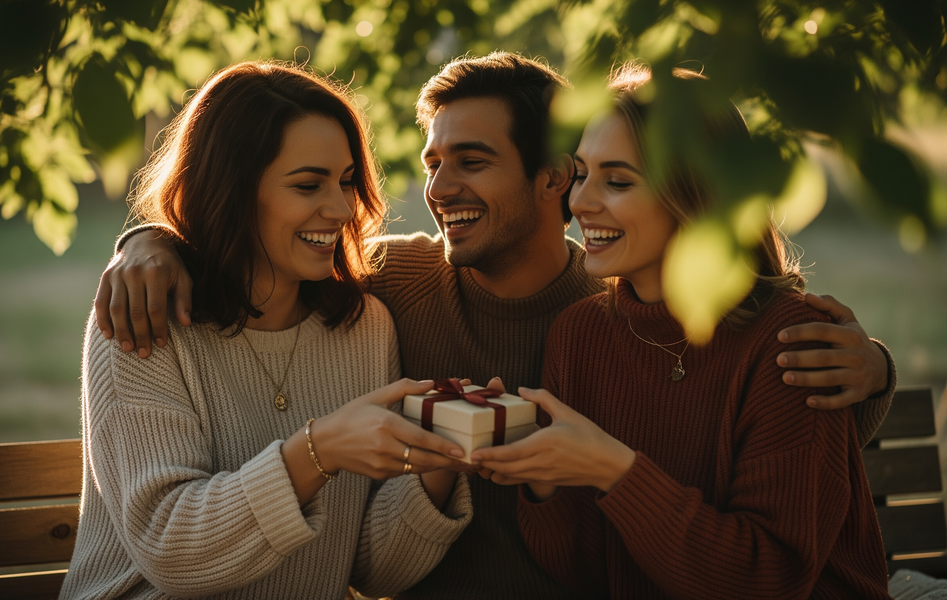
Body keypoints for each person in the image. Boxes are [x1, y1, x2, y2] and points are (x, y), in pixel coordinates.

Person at [95, 53, 896, 599]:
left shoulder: (602, 308)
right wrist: (153, 241)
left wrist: (875, 371)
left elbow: (770, 455)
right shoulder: (390, 288)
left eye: (471, 161)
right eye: (430, 162)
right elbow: (261, 242)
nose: (438, 186)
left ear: (552, 180)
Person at [472, 64, 892, 598]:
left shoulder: (791, 342)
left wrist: (615, 469)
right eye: (581, 173)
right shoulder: (580, 333)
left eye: (618, 181)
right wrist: (544, 477)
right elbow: (579, 569)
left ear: (697, 194)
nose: (579, 202)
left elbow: (766, 579)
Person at [60, 61, 474, 600]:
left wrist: (435, 461)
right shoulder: (143, 317)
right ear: (231, 191)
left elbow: (373, 571)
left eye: (347, 182)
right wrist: (318, 451)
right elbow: (170, 548)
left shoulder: (365, 328)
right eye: (308, 185)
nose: (341, 208)